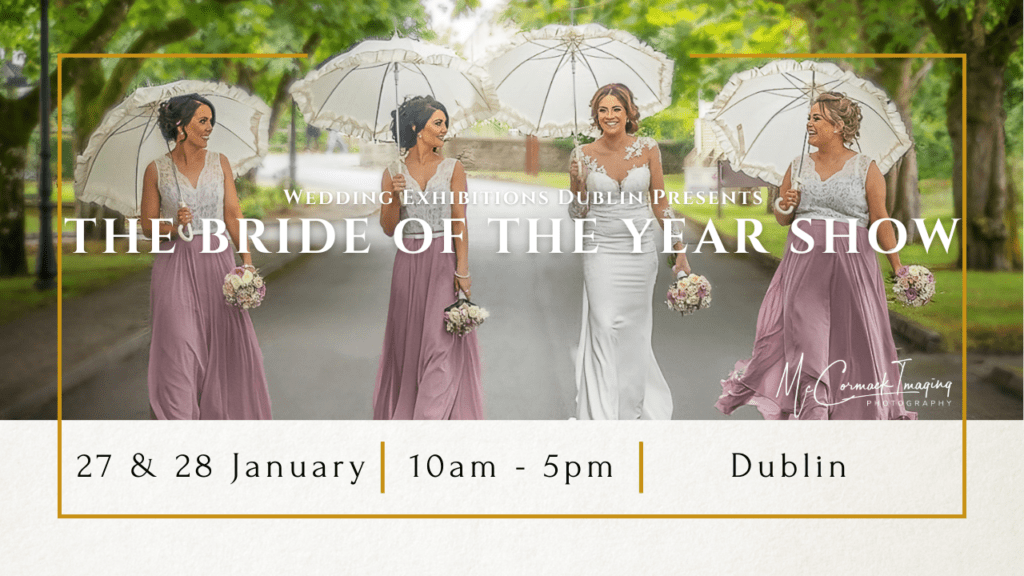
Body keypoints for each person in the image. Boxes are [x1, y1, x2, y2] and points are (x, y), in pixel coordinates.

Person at [716, 92, 917, 420]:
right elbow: (782, 217)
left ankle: (851, 414)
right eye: (808, 118)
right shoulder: (796, 166)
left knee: (851, 344)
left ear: (838, 126)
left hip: (853, 267)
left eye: (816, 118)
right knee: (807, 341)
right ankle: (814, 418)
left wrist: (898, 267)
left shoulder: (867, 168)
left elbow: (881, 220)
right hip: (805, 265)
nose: (809, 123)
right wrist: (787, 202)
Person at [140, 93, 272, 420]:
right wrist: (173, 226)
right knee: (179, 348)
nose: (210, 127)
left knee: (224, 350)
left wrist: (247, 263)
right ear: (180, 127)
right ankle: (181, 426)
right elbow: (146, 226)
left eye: (211, 120)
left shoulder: (221, 162)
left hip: (217, 263)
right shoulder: (156, 170)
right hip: (174, 268)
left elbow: (233, 214)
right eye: (203, 120)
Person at [568, 83, 690, 420]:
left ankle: (631, 412)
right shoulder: (582, 155)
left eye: (616, 109)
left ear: (628, 113)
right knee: (604, 326)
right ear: (596, 116)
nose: (610, 116)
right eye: (603, 110)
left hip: (639, 256)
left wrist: (679, 248)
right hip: (600, 250)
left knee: (634, 335)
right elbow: (578, 213)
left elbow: (660, 202)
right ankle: (601, 415)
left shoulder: (648, 148)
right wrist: (577, 184)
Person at [373, 95, 483, 420]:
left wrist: (462, 269)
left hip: (442, 260)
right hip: (408, 263)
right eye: (438, 122)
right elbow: (388, 227)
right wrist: (392, 196)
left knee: (439, 345)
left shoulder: (453, 169)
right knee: (409, 346)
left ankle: (429, 421)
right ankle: (410, 415)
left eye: (445, 122)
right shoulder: (391, 172)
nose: (444, 129)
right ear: (416, 128)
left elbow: (459, 220)